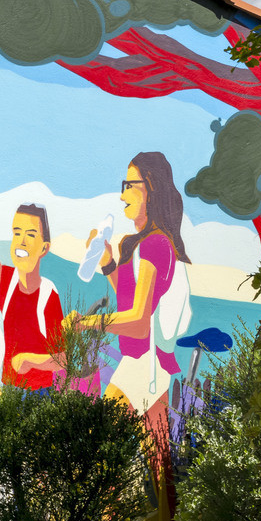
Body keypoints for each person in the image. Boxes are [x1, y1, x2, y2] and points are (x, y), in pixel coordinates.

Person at [68, 151, 191, 412]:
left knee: (99, 443)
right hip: (154, 366)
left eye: (128, 186)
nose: (122, 196)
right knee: (157, 453)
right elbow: (130, 302)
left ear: (151, 188)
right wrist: (108, 263)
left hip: (143, 364)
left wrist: (84, 323)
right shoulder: (143, 244)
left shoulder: (155, 244)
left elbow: (138, 322)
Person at [0, 204, 64, 389]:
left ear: (44, 248)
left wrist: (30, 360)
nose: (21, 241)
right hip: (10, 390)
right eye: (17, 233)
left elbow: (62, 359)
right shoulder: (7, 283)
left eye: (31, 235)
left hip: (40, 395)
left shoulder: (48, 294)